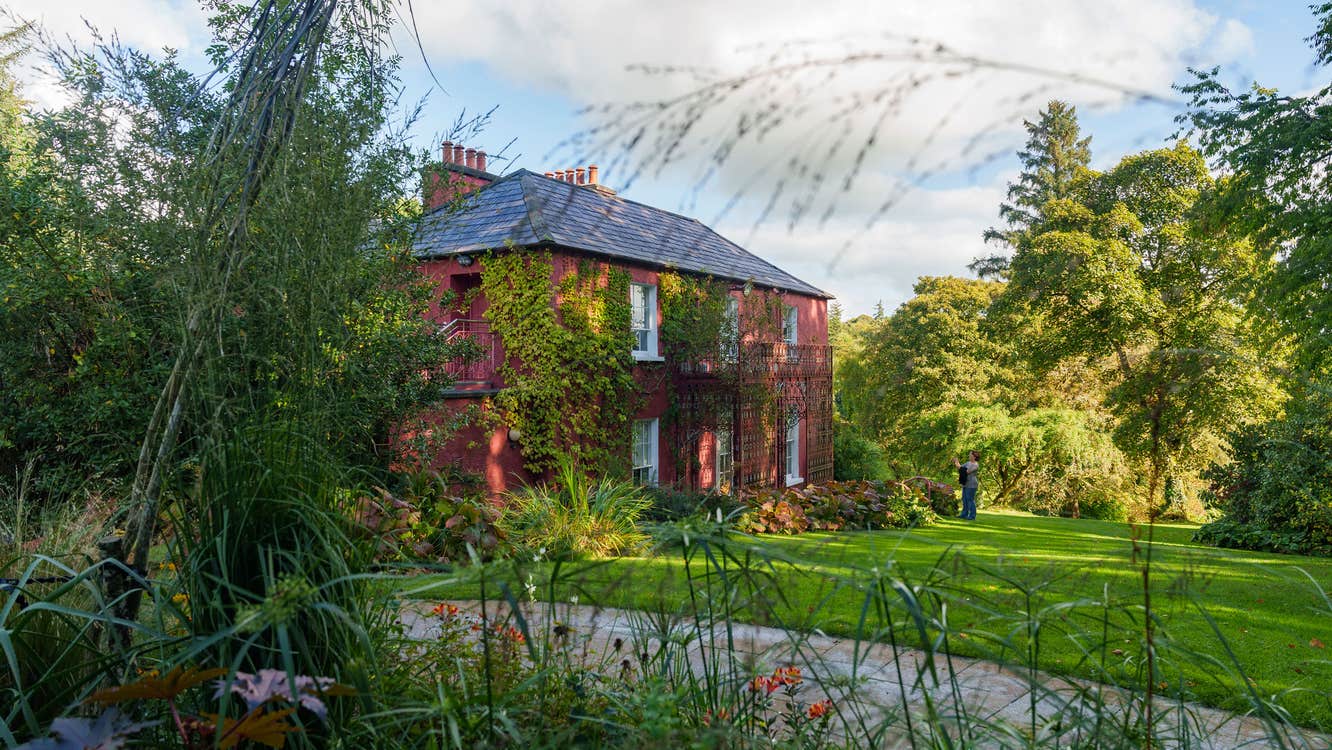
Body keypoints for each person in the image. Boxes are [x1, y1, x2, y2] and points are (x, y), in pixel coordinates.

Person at [952, 450, 980, 520]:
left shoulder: (975, 465)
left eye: (970, 454)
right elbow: (960, 469)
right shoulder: (968, 463)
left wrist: (958, 464)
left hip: (972, 484)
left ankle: (972, 516)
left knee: (970, 499)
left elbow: (966, 471)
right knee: (964, 499)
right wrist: (956, 462)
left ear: (974, 456)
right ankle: (964, 514)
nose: (969, 455)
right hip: (965, 483)